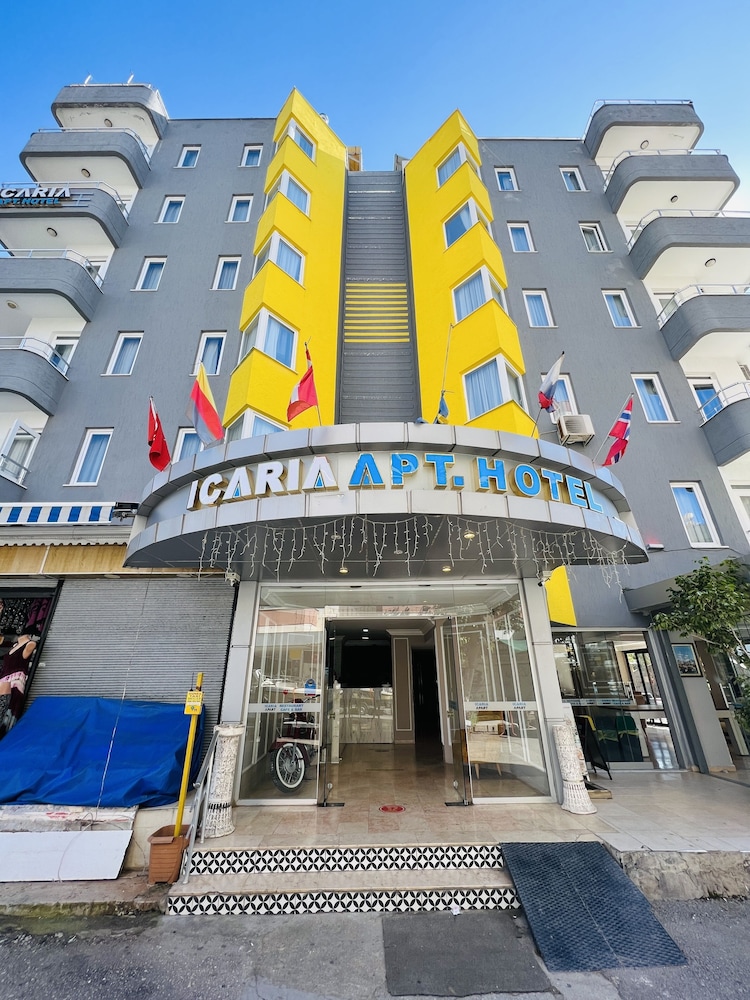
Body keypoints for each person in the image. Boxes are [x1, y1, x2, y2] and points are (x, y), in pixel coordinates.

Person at [0, 633, 38, 738]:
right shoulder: (14, 645)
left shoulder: (30, 644)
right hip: (4, 680)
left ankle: (5, 733)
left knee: (9, 708)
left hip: (15, 681)